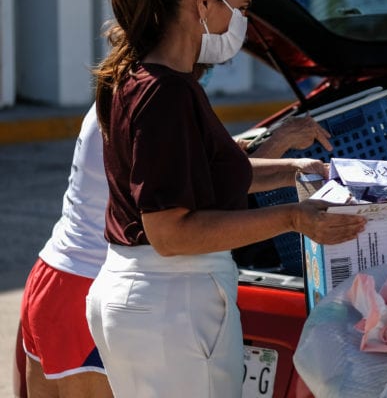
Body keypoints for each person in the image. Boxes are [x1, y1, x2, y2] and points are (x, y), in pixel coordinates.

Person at [84, 0, 366, 398]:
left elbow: (205, 179)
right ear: (203, 0)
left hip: (152, 304)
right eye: (242, 7)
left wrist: (297, 172)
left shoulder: (145, 78)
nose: (244, 22)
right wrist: (294, 218)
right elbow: (170, 231)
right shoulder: (165, 93)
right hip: (170, 308)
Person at [17, 61, 337, 398]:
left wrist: (295, 168)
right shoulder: (157, 100)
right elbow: (214, 188)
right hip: (86, 284)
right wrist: (292, 207)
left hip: (51, 277)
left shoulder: (124, 91)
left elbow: (214, 171)